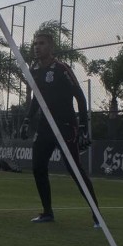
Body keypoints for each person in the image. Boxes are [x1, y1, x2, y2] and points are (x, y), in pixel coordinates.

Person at [19, 31, 100, 226]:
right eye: (35, 44)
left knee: (74, 169)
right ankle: (47, 212)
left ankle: (96, 214)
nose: (37, 47)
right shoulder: (36, 70)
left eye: (42, 43)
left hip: (65, 126)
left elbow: (79, 96)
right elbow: (37, 99)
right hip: (45, 127)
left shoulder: (62, 69)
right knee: (38, 167)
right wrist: (27, 120)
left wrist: (82, 125)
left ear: (51, 47)